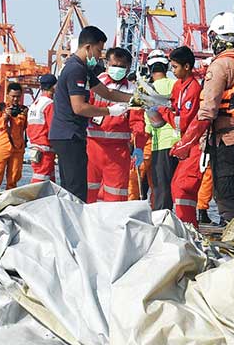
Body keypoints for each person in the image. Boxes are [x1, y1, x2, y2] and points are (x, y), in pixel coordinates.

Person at [175, 12, 234, 223]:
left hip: (227, 142)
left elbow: (207, 112)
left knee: (227, 199)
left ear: (217, 39)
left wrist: (186, 143)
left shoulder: (220, 66)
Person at [48, 26, 132, 202]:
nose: (99, 55)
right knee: (75, 191)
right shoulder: (76, 70)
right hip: (69, 135)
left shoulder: (84, 70)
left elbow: (108, 93)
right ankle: (73, 227)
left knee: (74, 188)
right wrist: (109, 111)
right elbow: (79, 107)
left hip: (71, 135)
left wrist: (134, 99)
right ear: (87, 47)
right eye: (98, 50)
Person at [86, 48, 142, 202]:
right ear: (106, 64)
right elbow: (83, 109)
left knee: (116, 196)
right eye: (114, 65)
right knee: (87, 193)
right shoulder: (95, 83)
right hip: (92, 147)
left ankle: (111, 226)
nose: (117, 69)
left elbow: (138, 123)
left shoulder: (133, 90)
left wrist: (139, 147)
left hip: (118, 152)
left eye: (122, 66)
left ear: (129, 67)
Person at [162, 46, 204, 224]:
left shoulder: (192, 89)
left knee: (183, 188)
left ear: (186, 67)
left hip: (194, 143)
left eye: (175, 67)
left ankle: (188, 227)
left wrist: (162, 111)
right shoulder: (179, 86)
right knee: (178, 187)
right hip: (185, 142)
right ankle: (185, 225)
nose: (172, 71)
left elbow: (183, 121)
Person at [144, 49, 178, 210]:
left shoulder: (147, 89)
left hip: (161, 145)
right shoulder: (177, 85)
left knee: (161, 188)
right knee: (179, 187)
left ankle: (163, 223)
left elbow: (149, 125)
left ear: (149, 68)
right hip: (181, 143)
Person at [0, 82, 27, 196]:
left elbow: (25, 127)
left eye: (18, 96)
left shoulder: (23, 110)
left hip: (18, 148)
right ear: (7, 95)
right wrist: (5, 116)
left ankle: (10, 200)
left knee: (14, 176)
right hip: (3, 146)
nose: (15, 99)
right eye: (13, 96)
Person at [27, 74, 57, 183]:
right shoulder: (49, 104)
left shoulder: (34, 105)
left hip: (35, 147)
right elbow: (53, 128)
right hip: (45, 149)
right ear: (54, 86)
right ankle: (35, 199)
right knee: (41, 178)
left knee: (48, 179)